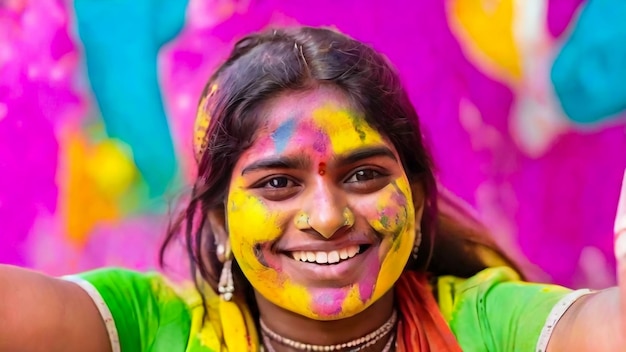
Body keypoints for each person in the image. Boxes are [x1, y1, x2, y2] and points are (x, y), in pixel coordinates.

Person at [1, 26, 625, 352]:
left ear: (412, 189)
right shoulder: (148, 328)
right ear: (217, 219)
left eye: (363, 175)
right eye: (278, 183)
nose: (326, 217)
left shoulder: (484, 323)